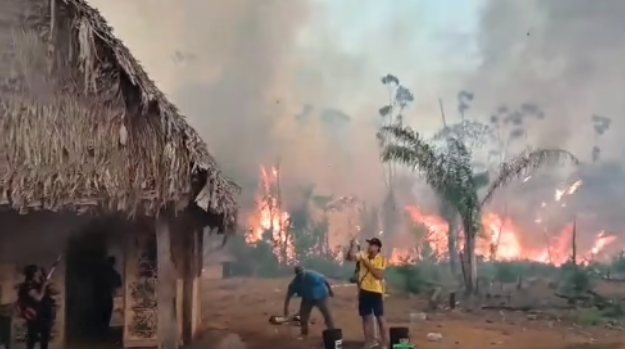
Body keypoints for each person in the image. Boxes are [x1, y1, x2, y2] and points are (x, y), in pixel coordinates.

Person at [349, 238, 388, 349]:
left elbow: (379, 275)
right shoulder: (363, 254)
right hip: (363, 290)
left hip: (376, 291)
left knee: (380, 317)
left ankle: (384, 343)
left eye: (372, 244)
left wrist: (366, 261)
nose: (369, 246)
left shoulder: (381, 259)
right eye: (369, 244)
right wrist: (352, 246)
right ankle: (368, 342)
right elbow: (350, 257)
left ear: (377, 247)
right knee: (366, 317)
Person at [283, 266, 335, 339]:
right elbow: (288, 296)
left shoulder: (313, 275)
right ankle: (304, 333)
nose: (302, 276)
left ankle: (332, 332)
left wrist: (330, 291)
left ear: (304, 272)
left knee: (327, 315)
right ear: (297, 275)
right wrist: (286, 309)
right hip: (308, 299)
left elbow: (325, 281)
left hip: (321, 296)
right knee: (303, 315)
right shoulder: (295, 283)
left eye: (302, 273)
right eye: (300, 274)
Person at [17, 265, 54, 349]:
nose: (39, 275)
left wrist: (44, 282)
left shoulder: (36, 284)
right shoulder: (28, 285)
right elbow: (38, 297)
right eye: (37, 273)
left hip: (44, 316)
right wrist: (44, 285)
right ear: (32, 274)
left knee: (44, 339)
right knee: (32, 340)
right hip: (35, 316)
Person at [93, 256, 122, 338]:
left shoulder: (101, 273)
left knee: (101, 315)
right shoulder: (113, 273)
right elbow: (118, 284)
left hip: (101, 296)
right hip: (106, 296)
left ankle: (101, 332)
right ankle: (103, 331)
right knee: (105, 315)